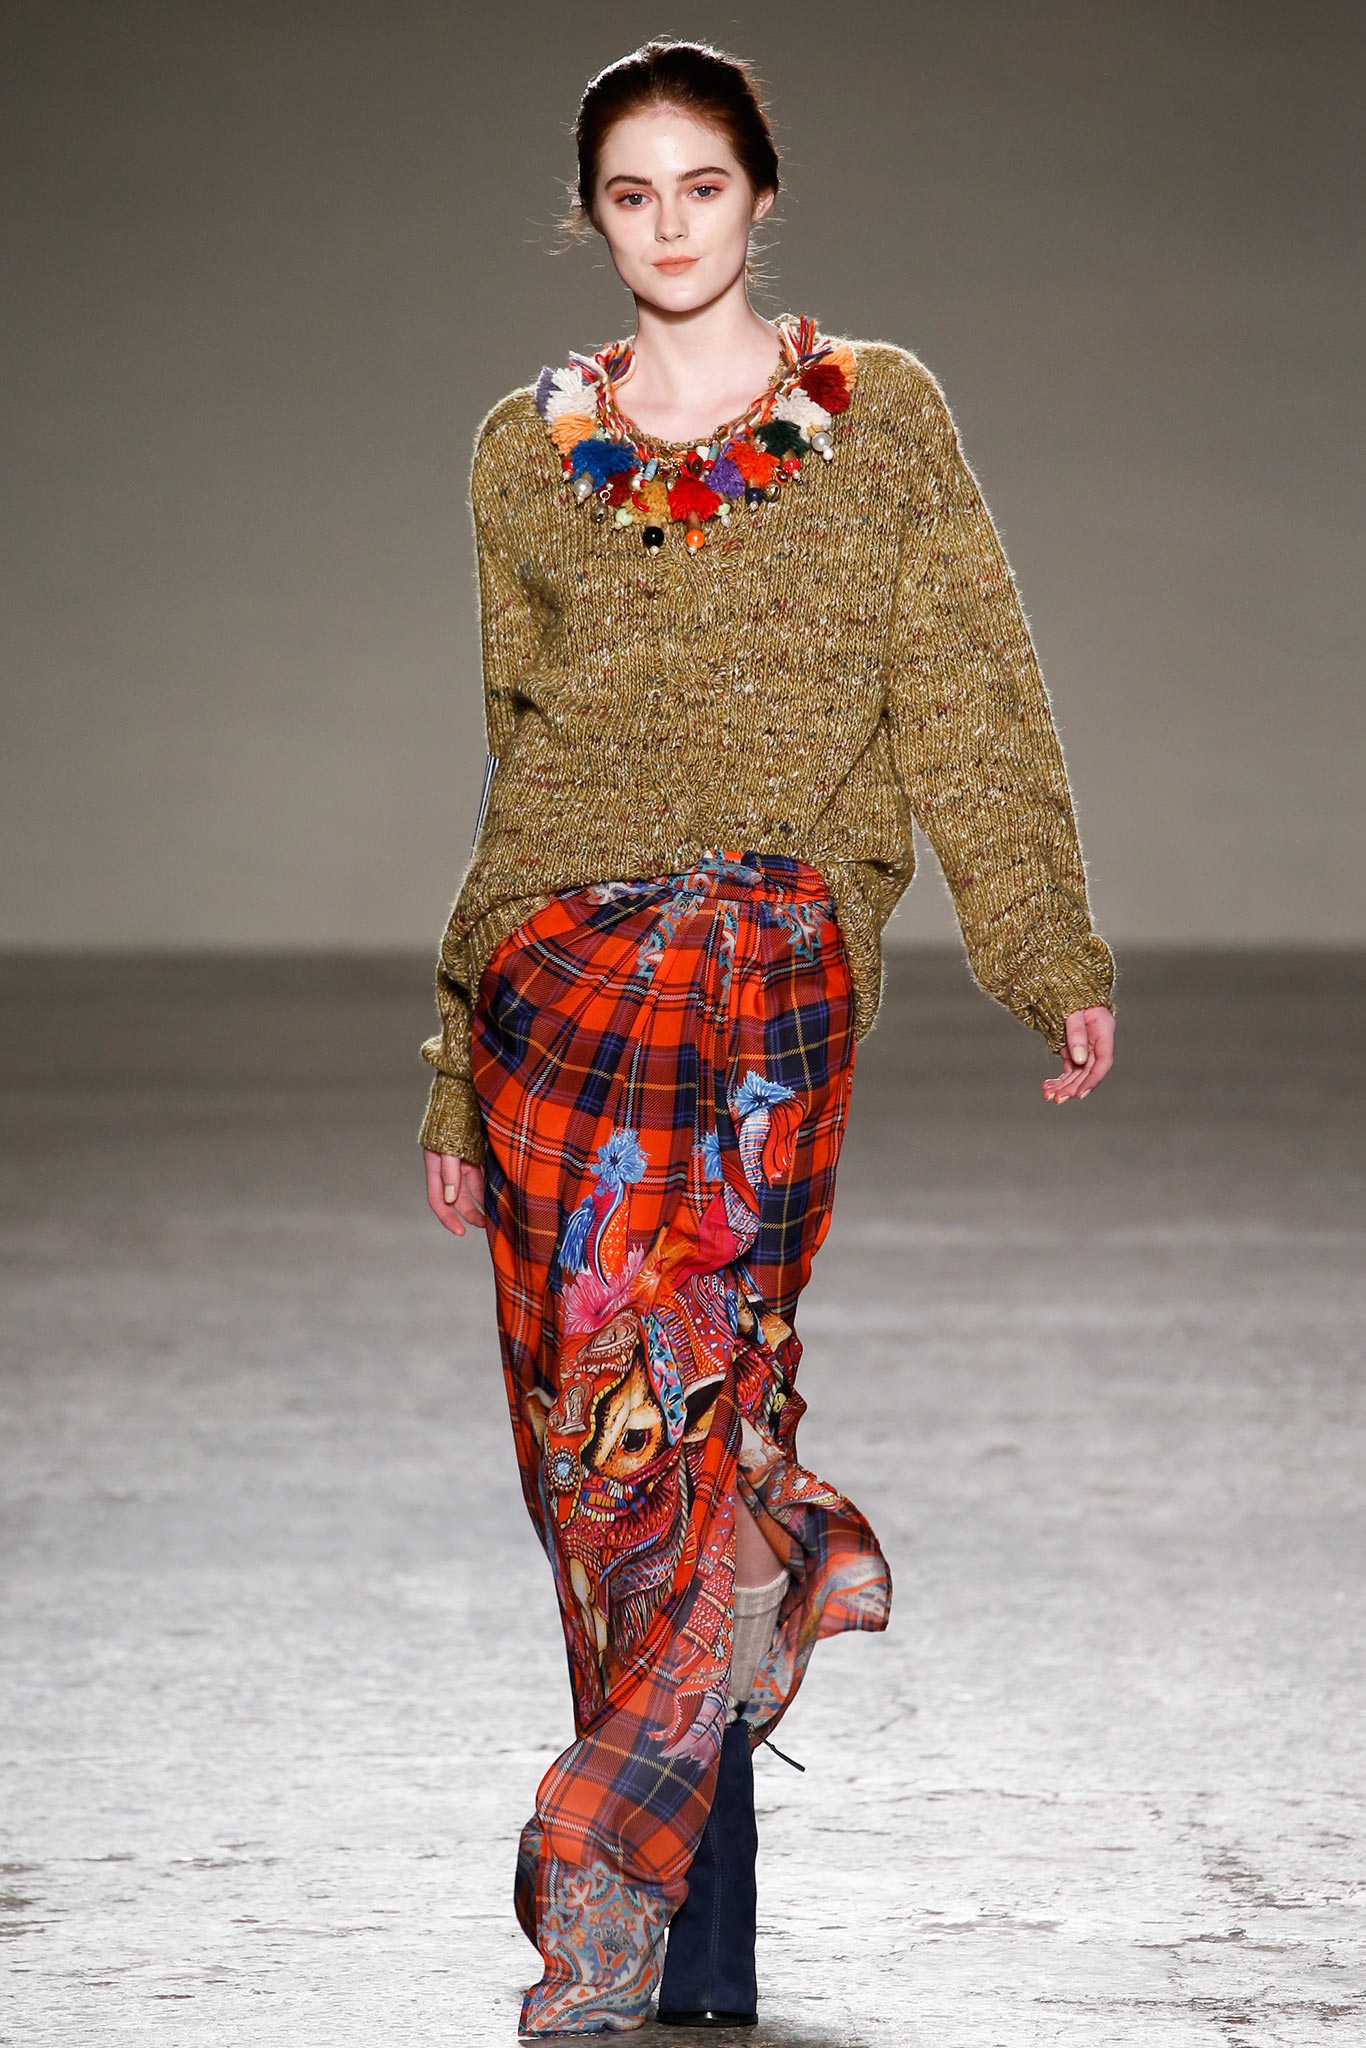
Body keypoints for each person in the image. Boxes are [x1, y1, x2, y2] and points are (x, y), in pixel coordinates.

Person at [419, 38, 1117, 2039]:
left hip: (765, 976)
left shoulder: (878, 417)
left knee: (702, 1404)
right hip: (555, 982)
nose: (666, 225)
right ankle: (676, 1902)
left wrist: (1038, 942)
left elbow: (966, 687)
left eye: (700, 186)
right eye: (628, 194)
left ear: (759, 196)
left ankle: (617, 1884)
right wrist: (452, 1054)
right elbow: (517, 760)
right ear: (590, 216)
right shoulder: (519, 450)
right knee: (598, 1453)